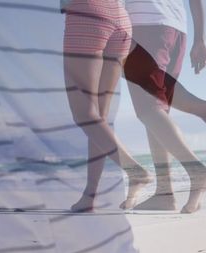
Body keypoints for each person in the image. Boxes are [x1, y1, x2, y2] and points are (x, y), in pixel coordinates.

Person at [119, 0, 206, 213]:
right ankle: (164, 193)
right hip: (176, 29)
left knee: (148, 109)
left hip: (146, 24)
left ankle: (197, 171)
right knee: (158, 112)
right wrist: (200, 39)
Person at [63, 0, 152, 212]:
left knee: (84, 113)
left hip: (87, 13)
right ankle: (89, 197)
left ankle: (135, 171)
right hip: (120, 19)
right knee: (98, 118)